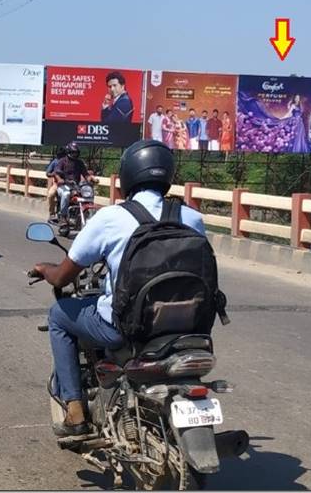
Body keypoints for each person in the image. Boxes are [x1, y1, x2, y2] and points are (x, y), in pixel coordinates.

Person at [31, 140, 206, 436]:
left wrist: (45, 270)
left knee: (59, 315)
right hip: (188, 327)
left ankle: (75, 412)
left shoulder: (112, 217)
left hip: (126, 328)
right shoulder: (191, 217)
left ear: (128, 175)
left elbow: (62, 277)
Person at [52, 142, 95, 223]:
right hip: (63, 185)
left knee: (88, 195)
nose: (75, 154)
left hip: (76, 186)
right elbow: (56, 173)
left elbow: (85, 174)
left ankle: (88, 215)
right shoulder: (62, 161)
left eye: (76, 152)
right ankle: (63, 216)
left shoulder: (79, 162)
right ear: (68, 152)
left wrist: (91, 179)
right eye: (73, 152)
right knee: (66, 194)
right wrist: (60, 179)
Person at [46, 147, 67, 223]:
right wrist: (54, 174)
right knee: (50, 194)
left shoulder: (68, 162)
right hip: (57, 184)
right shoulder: (55, 162)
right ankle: (52, 214)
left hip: (68, 184)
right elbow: (47, 173)